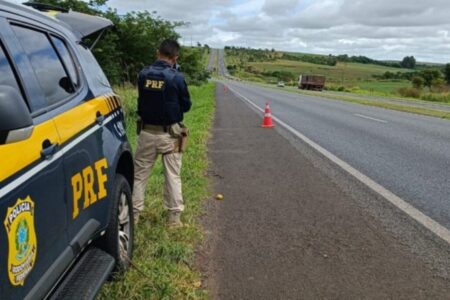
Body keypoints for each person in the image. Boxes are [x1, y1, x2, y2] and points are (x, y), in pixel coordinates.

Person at [132, 39, 191, 228]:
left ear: (157, 52)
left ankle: (133, 215)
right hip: (170, 135)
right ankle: (174, 219)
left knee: (139, 175)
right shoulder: (177, 77)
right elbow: (186, 105)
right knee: (172, 175)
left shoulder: (143, 74)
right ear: (175, 57)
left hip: (146, 132)